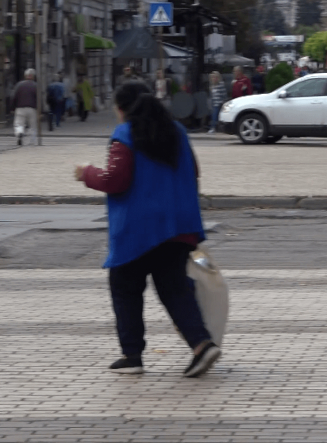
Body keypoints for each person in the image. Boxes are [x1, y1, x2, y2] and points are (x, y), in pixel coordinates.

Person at [73, 82, 221, 377]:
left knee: (125, 289)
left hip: (139, 231)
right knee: (175, 289)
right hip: (179, 227)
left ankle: (132, 356)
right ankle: (202, 346)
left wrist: (87, 173)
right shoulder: (176, 131)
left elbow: (116, 180)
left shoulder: (125, 135)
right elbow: (194, 171)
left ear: (121, 108)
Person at [11, 69, 39, 146]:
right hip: (32, 108)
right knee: (32, 125)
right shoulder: (35, 85)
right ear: (33, 76)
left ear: (25, 76)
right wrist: (40, 110)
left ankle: (20, 132)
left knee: (19, 123)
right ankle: (31, 141)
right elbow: (39, 98)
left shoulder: (19, 85)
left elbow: (14, 97)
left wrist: (12, 108)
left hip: (20, 108)